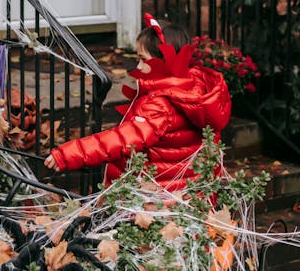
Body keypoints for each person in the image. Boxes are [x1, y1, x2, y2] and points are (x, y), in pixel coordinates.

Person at [44, 14, 232, 192]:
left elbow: (123, 139)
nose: (139, 67)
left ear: (165, 61)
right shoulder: (192, 89)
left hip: (153, 200)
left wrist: (67, 154)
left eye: (143, 59)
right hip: (180, 196)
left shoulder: (160, 105)